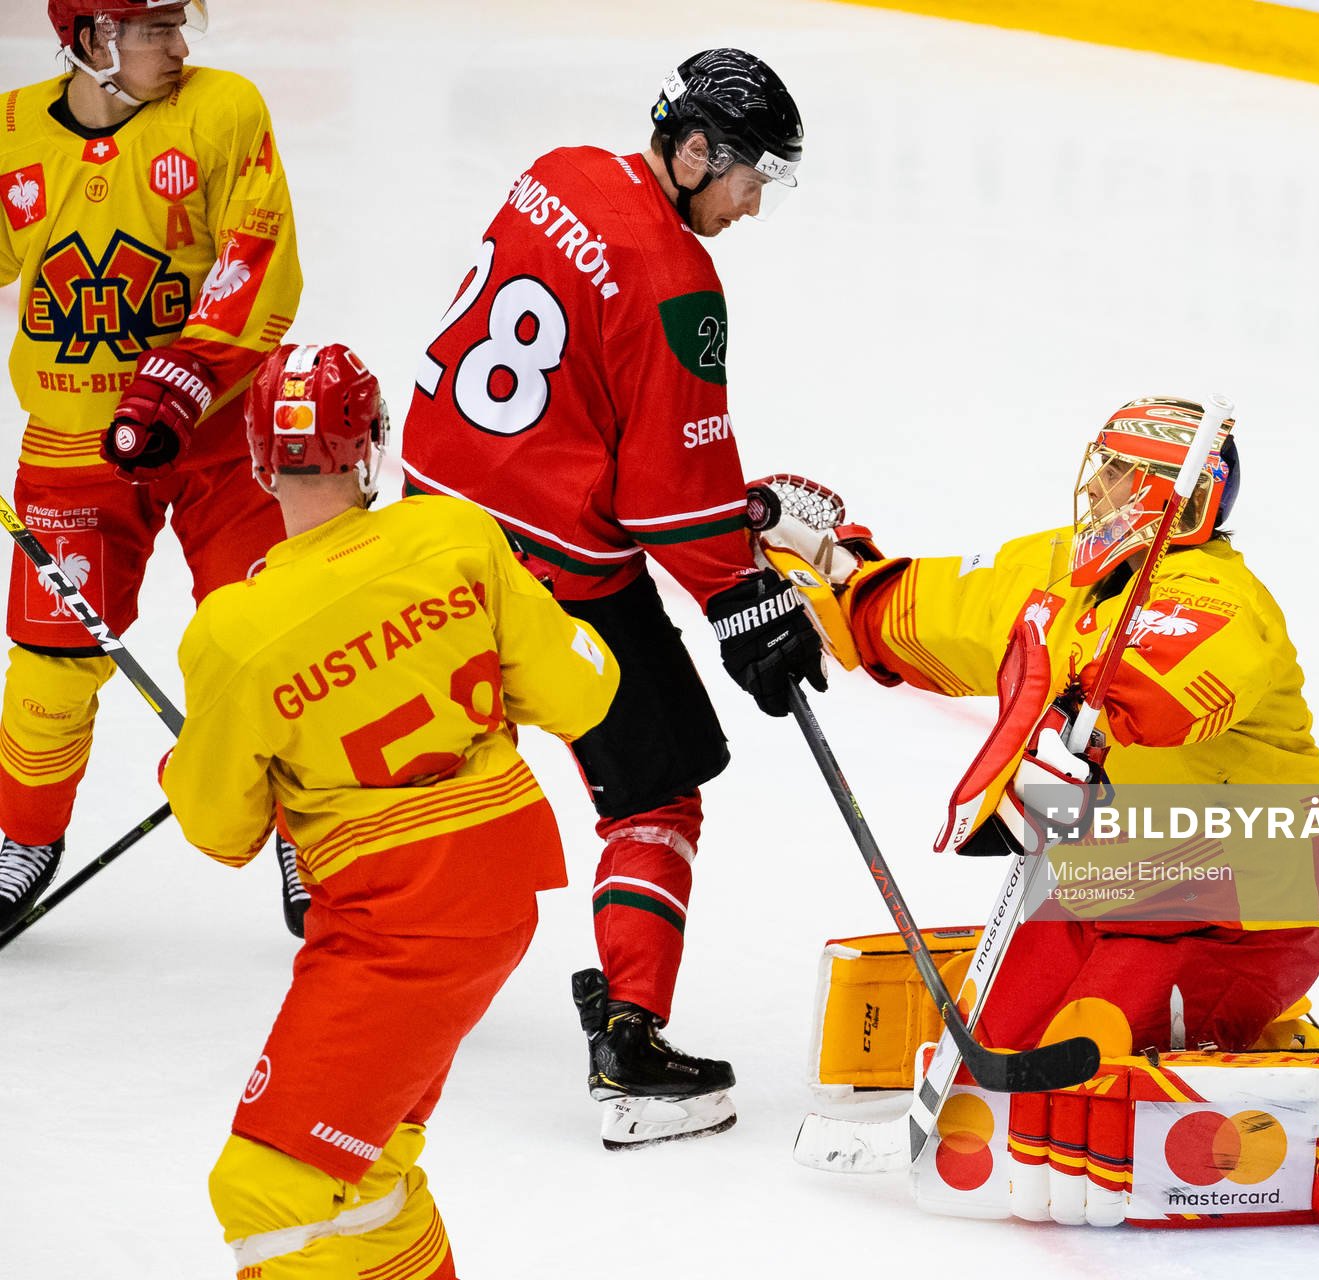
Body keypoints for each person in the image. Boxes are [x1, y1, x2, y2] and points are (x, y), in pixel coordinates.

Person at [774, 399, 1319, 1231]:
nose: (1096, 488)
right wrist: (826, 573)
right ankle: (1222, 1032)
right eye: (1100, 466)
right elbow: (944, 609)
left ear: (1178, 499)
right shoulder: (1064, 567)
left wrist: (1078, 716)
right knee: (994, 1061)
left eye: (1120, 473)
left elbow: (1161, 689)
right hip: (1107, 890)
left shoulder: (1221, 600)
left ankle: (1308, 1062)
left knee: (1073, 1060)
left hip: (1232, 911)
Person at [400, 48, 822, 1147]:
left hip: (434, 522)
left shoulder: (560, 170)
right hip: (551, 565)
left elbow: (590, 388)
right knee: (657, 793)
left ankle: (368, 935)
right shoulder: (682, 282)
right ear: (692, 153)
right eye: (747, 176)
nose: (754, 201)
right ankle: (632, 1049)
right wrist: (752, 602)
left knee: (440, 755)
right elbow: (667, 498)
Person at [163, 341, 618, 1277]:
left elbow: (218, 829)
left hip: (395, 918)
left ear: (257, 461)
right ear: (371, 445)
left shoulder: (235, 634)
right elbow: (581, 695)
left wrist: (190, 763)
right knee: (361, 1161)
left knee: (271, 1184)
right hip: (492, 887)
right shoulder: (454, 538)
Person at [0, 0, 305, 935]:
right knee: (51, 663)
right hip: (73, 447)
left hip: (218, 439)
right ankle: (23, 836)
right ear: (92, 41)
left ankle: (313, 833)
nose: (178, 47)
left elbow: (256, 260)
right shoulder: (12, 133)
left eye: (180, 25)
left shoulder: (223, 110)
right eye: (153, 30)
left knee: (280, 641)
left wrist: (180, 380)